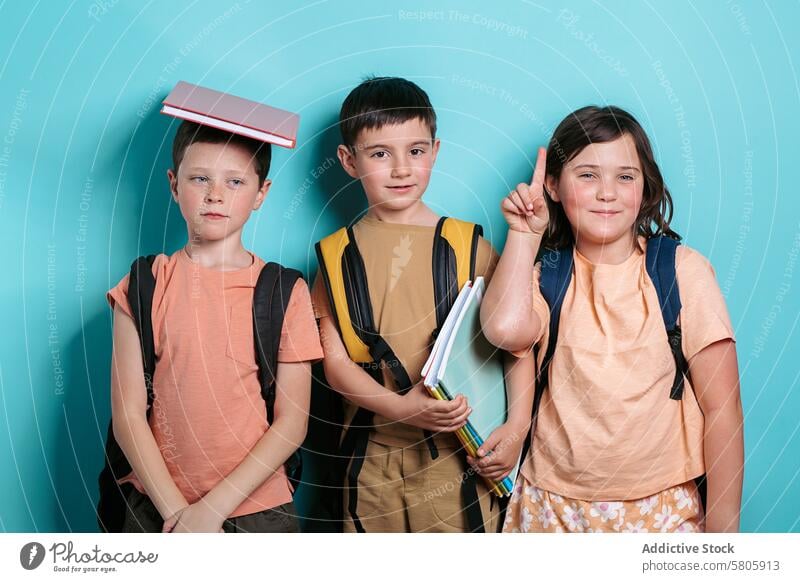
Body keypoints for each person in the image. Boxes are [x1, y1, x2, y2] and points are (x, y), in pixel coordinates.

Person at [481, 105, 744, 533]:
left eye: (625, 176)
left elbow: (723, 408)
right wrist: (525, 235)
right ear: (552, 185)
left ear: (646, 186)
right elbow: (505, 330)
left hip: (661, 508)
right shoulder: (546, 274)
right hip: (552, 507)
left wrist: (723, 537)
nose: (608, 192)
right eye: (587, 175)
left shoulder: (681, 271)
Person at [311, 76, 536, 532]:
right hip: (370, 459)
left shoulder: (468, 244)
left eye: (415, 151)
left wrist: (516, 431)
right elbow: (334, 363)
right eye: (380, 154)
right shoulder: (333, 256)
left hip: (462, 461)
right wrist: (401, 409)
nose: (401, 169)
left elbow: (514, 347)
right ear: (348, 161)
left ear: (435, 151)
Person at [108, 121, 322, 532]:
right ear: (174, 184)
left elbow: (292, 423)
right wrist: (178, 515)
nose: (215, 194)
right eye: (200, 178)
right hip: (157, 506)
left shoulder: (283, 290)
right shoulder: (143, 285)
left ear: (262, 193)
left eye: (236, 181)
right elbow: (129, 415)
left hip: (259, 511)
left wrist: (210, 512)